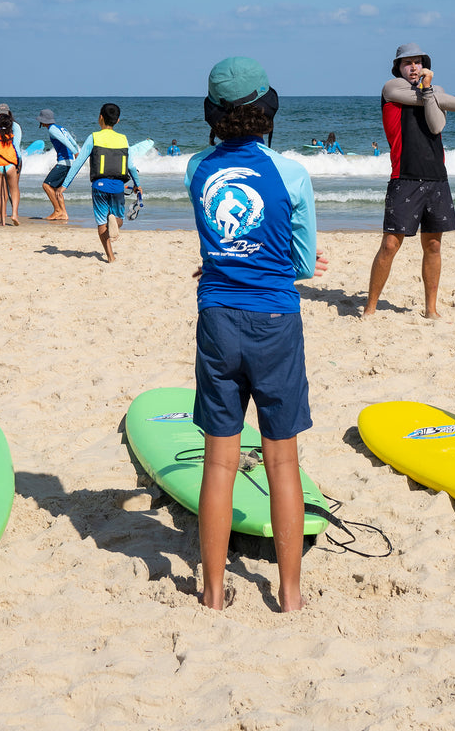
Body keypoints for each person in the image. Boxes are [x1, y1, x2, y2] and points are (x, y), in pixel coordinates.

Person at [185, 56, 324, 612]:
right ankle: (290, 597)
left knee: (218, 463)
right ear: (267, 109)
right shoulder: (291, 174)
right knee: (282, 462)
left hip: (217, 317)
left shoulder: (196, 167)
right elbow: (304, 263)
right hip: (274, 320)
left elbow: (219, 240)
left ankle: (213, 595)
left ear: (213, 114)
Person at [363, 42, 455, 319]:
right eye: (407, 63)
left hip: (437, 177)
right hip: (404, 176)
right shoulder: (391, 89)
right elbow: (440, 100)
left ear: (424, 65)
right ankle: (369, 308)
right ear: (398, 68)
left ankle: (431, 309)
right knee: (390, 244)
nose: (413, 67)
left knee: (434, 245)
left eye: (417, 62)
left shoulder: (433, 93)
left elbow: (437, 126)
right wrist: (436, 92)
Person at [62, 103, 142, 262]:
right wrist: (137, 185)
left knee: (101, 223)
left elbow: (78, 162)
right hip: (118, 186)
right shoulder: (123, 139)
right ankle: (115, 222)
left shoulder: (93, 137)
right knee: (118, 220)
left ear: (100, 117)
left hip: (99, 186)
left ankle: (110, 256)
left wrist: (64, 185)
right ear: (118, 120)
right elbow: (131, 166)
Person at [39, 108, 78, 221]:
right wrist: (76, 150)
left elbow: (65, 141)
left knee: (46, 185)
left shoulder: (52, 129)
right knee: (56, 189)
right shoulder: (61, 128)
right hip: (69, 162)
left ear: (43, 121)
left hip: (63, 162)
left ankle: (57, 211)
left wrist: (75, 152)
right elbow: (72, 141)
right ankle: (64, 214)